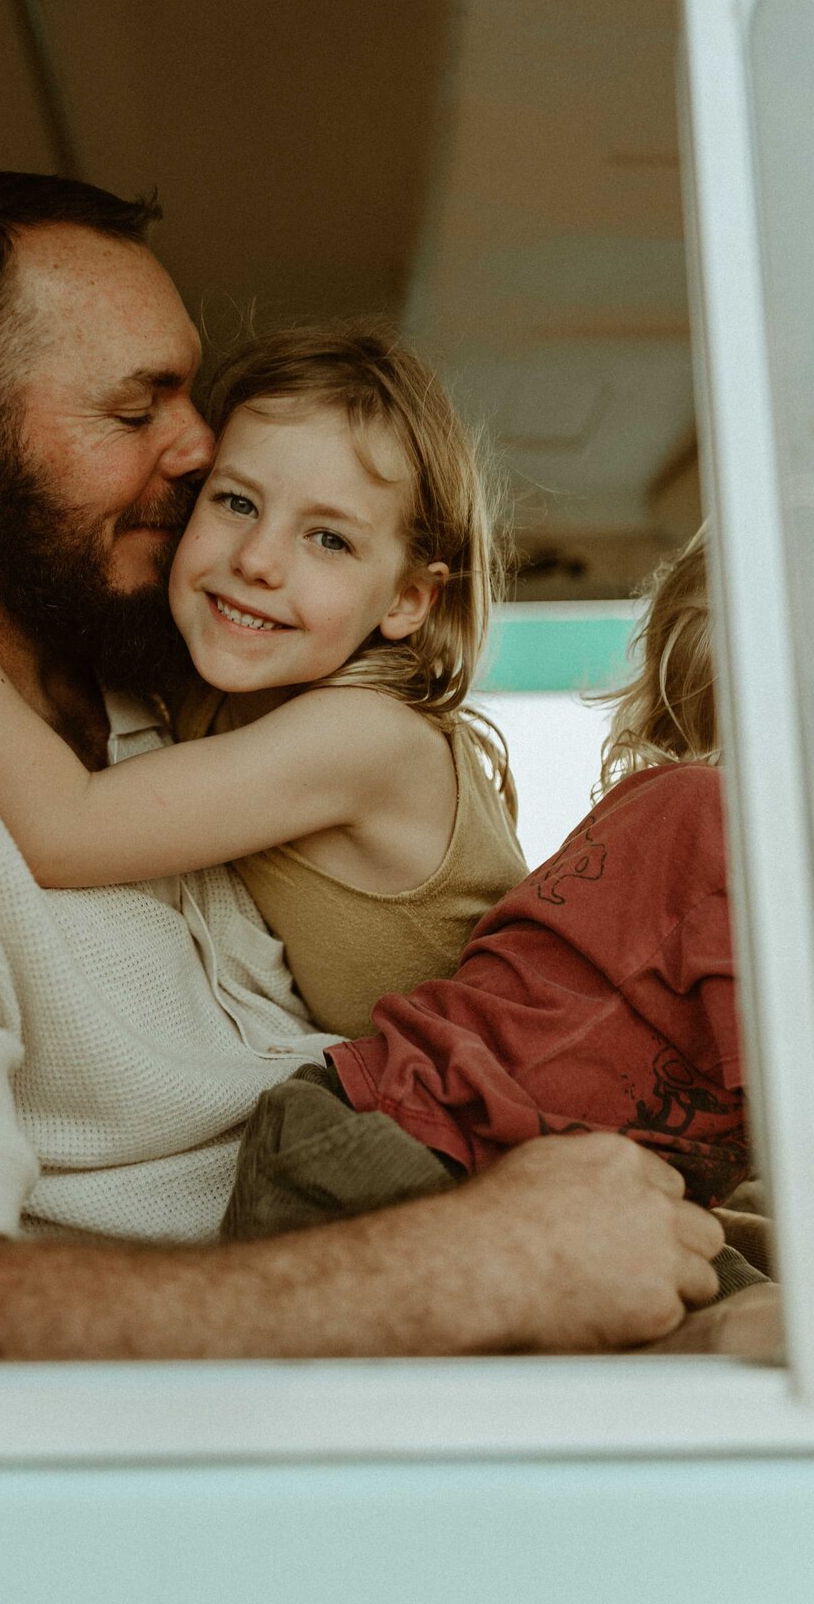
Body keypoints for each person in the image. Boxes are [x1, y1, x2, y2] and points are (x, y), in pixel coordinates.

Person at [0, 170, 728, 1362]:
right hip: (411, 1202)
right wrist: (477, 1261)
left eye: (327, 537)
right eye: (140, 408)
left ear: (410, 599)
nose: (197, 450)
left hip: (491, 1158)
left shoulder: (193, 698)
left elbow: (85, 822)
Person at [0, 324, 528, 1039]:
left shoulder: (369, 737)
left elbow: (61, 829)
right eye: (236, 502)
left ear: (408, 601)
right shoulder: (214, 689)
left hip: (509, 1098)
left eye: (329, 538)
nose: (259, 560)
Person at [223, 529, 760, 1278]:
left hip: (456, 1166)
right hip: (389, 1154)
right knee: (765, 1329)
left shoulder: (693, 828)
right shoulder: (727, 834)